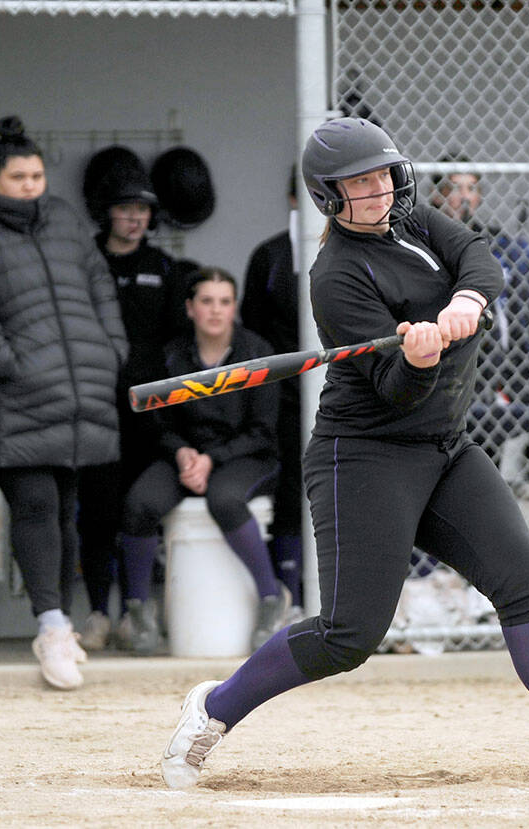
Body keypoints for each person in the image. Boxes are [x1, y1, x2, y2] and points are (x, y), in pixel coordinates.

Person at [159, 117, 529, 789]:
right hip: (363, 454)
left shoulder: (415, 220)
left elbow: (479, 257)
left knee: (525, 582)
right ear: (330, 195)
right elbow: (394, 393)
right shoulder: (335, 276)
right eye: (360, 182)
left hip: (445, 447)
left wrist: (467, 300)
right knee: (349, 634)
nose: (380, 189)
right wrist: (420, 356)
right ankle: (213, 707)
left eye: (384, 173)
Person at [0, 116, 128, 690]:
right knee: (37, 504)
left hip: (78, 389)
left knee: (66, 512)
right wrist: (8, 360)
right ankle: (50, 628)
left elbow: (99, 286)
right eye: (18, 176)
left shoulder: (65, 222)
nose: (29, 185)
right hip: (15, 393)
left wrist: (111, 346)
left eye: (37, 175)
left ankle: (60, 623)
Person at [117, 267, 285, 655]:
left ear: (235, 307)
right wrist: (182, 452)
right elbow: (159, 423)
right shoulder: (172, 354)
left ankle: (271, 600)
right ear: (190, 308)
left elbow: (263, 431)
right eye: (206, 301)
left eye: (224, 302)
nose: (215, 311)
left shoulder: (258, 353)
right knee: (140, 503)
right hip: (188, 457)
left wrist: (212, 458)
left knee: (224, 499)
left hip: (247, 456)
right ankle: (138, 612)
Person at [77, 162, 196, 652]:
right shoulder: (85, 263)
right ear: (108, 214)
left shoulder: (164, 267)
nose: (135, 219)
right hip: (95, 405)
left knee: (135, 511)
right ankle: (98, 615)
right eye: (126, 209)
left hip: (149, 414)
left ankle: (135, 613)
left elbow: (174, 344)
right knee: (96, 513)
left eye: (143, 211)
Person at [428, 154, 529, 469]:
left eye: (470, 188)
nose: (463, 196)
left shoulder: (497, 245)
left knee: (484, 461)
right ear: (437, 194)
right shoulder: (426, 240)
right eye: (454, 187)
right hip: (447, 368)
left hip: (497, 370)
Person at [240, 168, 305, 614]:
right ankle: (292, 596)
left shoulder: (359, 253)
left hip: (350, 395)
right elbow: (254, 336)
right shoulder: (271, 256)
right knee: (290, 490)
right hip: (286, 399)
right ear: (292, 198)